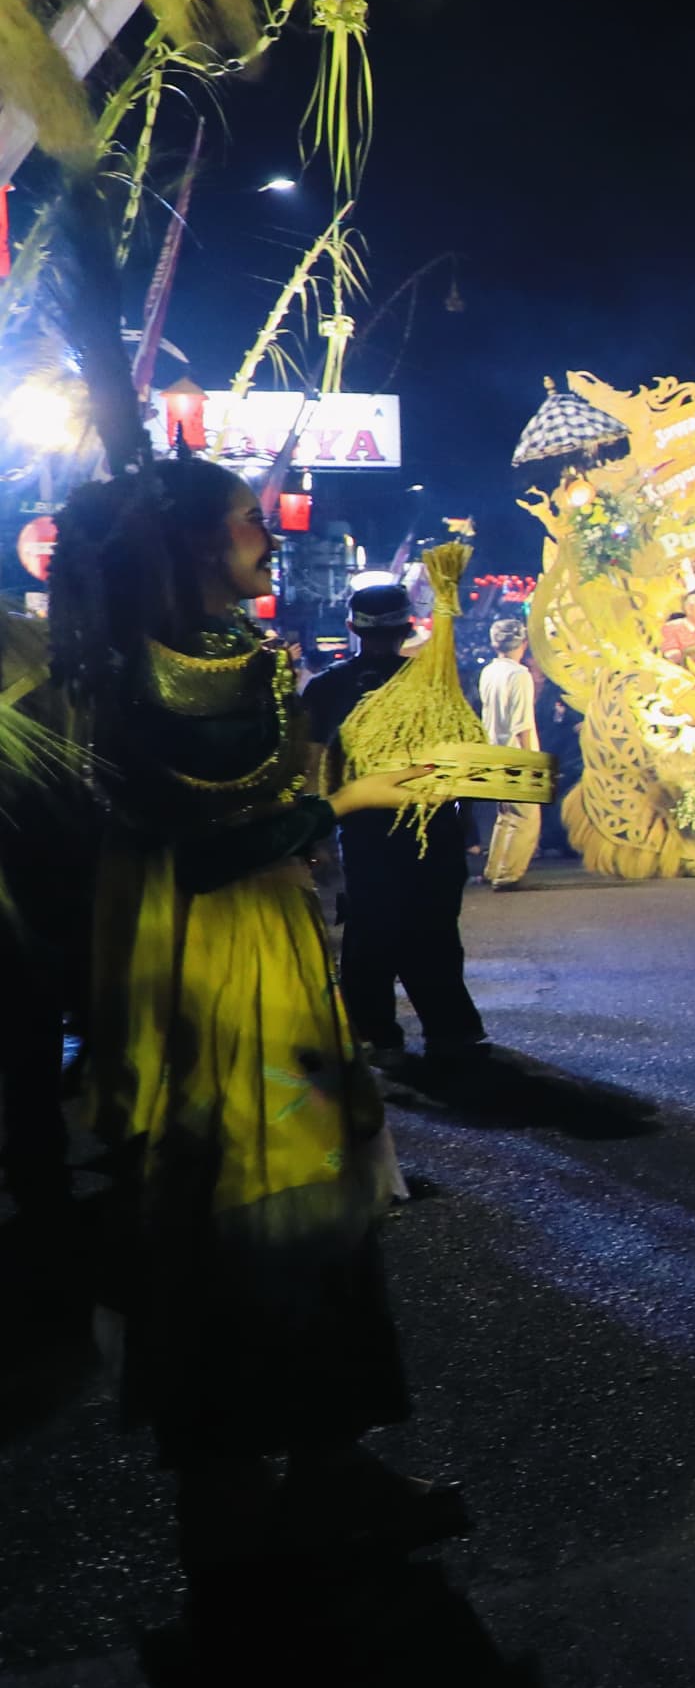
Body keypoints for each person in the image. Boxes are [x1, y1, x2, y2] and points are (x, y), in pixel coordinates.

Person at [56, 457, 460, 1568]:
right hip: (210, 970)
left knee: (290, 1210)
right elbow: (208, 846)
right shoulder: (147, 676)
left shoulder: (229, 660)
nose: (270, 537)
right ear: (193, 544)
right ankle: (263, 1484)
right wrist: (348, 797)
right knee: (251, 1211)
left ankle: (301, 1472)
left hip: (267, 952)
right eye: (249, 521)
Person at [302, 581, 487, 1070]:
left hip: (364, 830)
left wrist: (318, 835)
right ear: (409, 628)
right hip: (431, 826)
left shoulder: (325, 688)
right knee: (435, 929)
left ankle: (375, 1033)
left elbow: (314, 768)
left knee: (368, 930)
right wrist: (465, 824)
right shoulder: (435, 684)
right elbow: (464, 763)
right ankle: (450, 1030)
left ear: (350, 628)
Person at [475, 614, 543, 889]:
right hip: (516, 752)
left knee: (505, 815)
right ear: (523, 643)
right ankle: (508, 874)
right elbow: (521, 722)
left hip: (493, 749)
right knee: (525, 816)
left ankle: (494, 868)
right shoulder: (519, 675)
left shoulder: (489, 671)